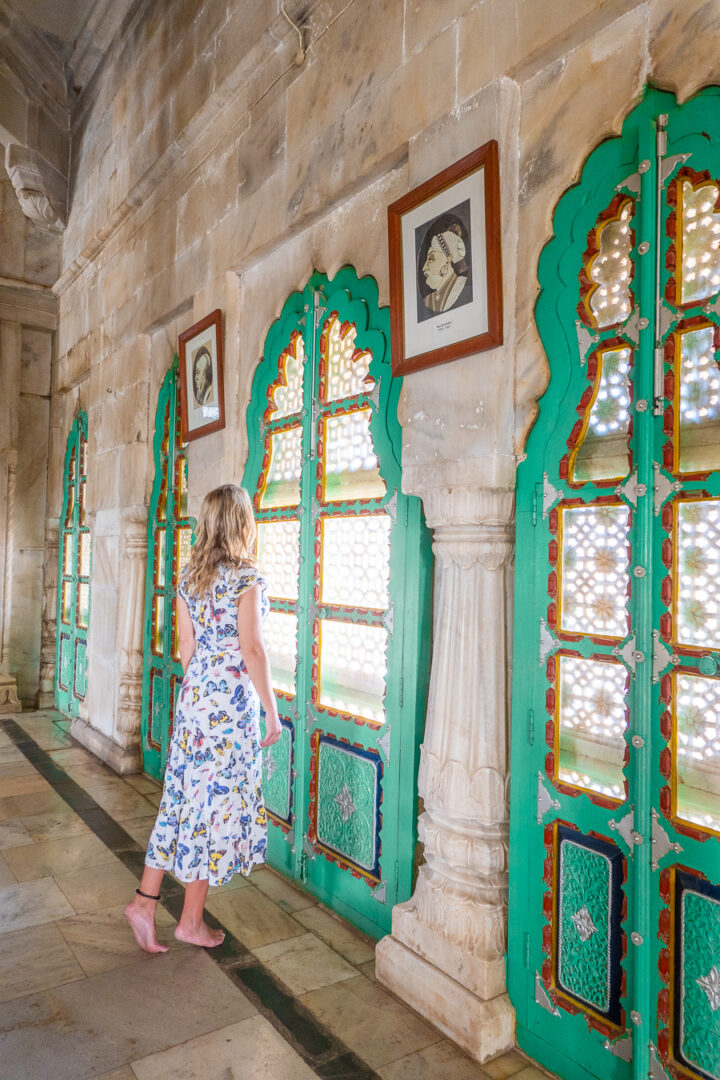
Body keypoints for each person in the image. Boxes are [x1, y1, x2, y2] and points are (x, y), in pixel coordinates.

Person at [124, 484, 281, 953]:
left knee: (183, 802)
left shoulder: (189, 579)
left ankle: (149, 904)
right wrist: (272, 712)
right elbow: (252, 650)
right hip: (229, 713)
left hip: (195, 707)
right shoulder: (246, 579)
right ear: (241, 523)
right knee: (213, 810)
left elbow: (186, 649)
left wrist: (200, 695)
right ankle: (185, 919)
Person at [420, 222, 472, 314]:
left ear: (447, 261)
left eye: (431, 259)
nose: (424, 268)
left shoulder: (464, 288)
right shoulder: (428, 300)